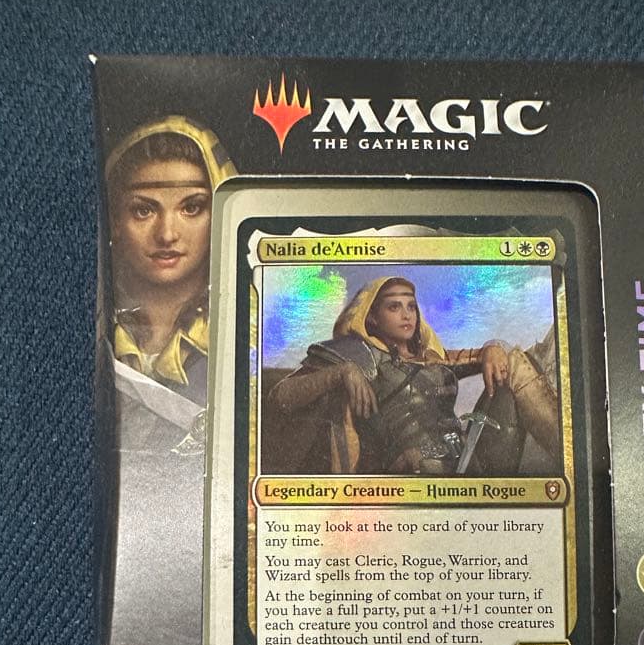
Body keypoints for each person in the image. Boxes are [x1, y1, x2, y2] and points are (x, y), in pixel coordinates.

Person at [266, 276, 560, 475]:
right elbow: (280, 397)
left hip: (469, 462)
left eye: (411, 307)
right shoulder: (356, 356)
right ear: (372, 317)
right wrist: (341, 372)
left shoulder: (432, 357)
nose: (407, 315)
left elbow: (484, 356)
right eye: (394, 307)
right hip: (411, 474)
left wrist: (494, 347)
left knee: (516, 362)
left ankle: (570, 457)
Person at [105, 116, 237, 406]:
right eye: (143, 211)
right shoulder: (95, 325)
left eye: (191, 208)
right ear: (114, 220)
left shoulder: (247, 329)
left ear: (221, 215)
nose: (167, 234)